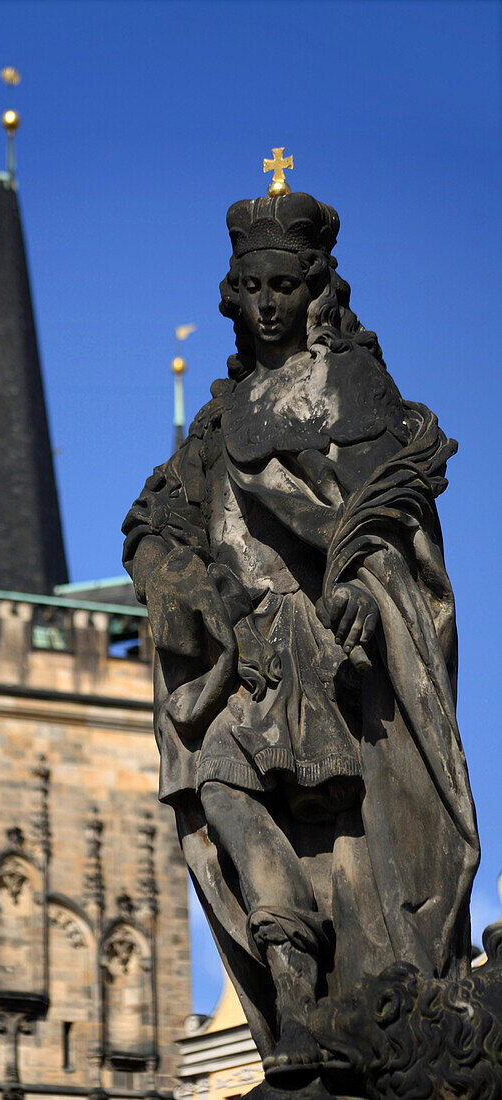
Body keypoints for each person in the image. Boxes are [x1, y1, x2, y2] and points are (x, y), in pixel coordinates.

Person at [122, 189, 480, 1072]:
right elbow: (153, 522)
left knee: (358, 853)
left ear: (314, 287)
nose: (269, 302)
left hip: (336, 660)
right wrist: (180, 579)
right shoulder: (215, 421)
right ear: (234, 296)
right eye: (253, 287)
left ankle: (343, 1005)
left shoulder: (351, 387)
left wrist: (362, 577)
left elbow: (389, 513)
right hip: (245, 656)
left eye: (284, 283)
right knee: (214, 783)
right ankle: (291, 993)